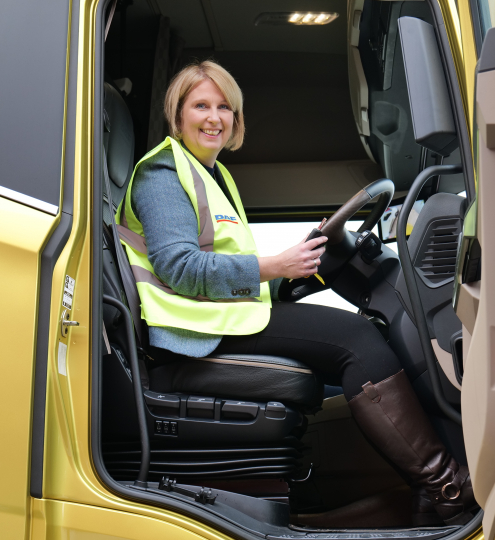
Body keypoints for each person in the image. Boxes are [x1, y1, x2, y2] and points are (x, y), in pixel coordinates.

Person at [115, 60, 476, 525]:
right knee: (356, 340)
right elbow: (181, 269)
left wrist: (290, 273)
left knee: (353, 345)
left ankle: (422, 492)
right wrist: (275, 265)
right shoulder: (163, 174)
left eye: (224, 107)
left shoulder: (212, 175)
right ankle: (444, 485)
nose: (213, 118)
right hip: (190, 332)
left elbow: (228, 270)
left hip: (219, 317)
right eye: (200, 105)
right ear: (177, 114)